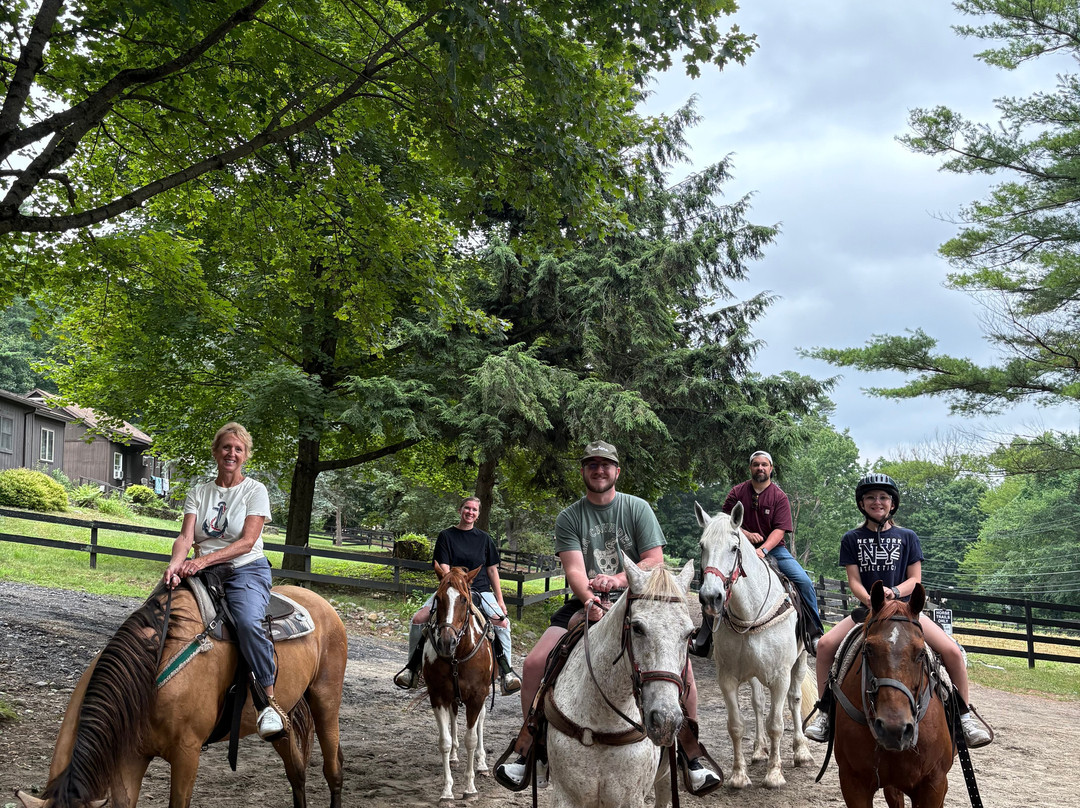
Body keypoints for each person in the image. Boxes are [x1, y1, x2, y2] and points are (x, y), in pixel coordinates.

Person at [496, 440, 722, 795]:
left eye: (606, 465)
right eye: (591, 464)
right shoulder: (570, 516)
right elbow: (574, 570)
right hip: (585, 603)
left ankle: (689, 753)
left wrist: (617, 580)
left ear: (617, 471)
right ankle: (532, 748)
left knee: (682, 670)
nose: (599, 470)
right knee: (535, 662)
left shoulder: (638, 508)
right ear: (584, 471)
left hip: (637, 601)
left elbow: (654, 560)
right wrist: (589, 600)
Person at [803, 472, 993, 748]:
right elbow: (854, 581)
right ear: (862, 503)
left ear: (893, 503)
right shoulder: (852, 538)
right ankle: (825, 714)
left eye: (883, 497)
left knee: (951, 651)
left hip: (905, 611)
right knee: (825, 646)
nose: (876, 502)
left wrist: (895, 593)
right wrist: (870, 599)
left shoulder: (908, 537)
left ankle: (964, 715)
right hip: (869, 610)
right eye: (870, 497)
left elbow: (916, 579)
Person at [162, 422, 286, 740]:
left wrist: (201, 560)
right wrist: (176, 564)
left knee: (246, 622)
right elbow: (186, 536)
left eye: (238, 449)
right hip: (204, 571)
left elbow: (247, 541)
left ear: (245, 456)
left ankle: (268, 703)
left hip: (246, 568)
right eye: (226, 447)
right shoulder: (199, 492)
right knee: (159, 607)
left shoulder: (254, 491)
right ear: (216, 452)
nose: (231, 453)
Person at [692, 450, 823, 656]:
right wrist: (744, 533)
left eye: (764, 464)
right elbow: (726, 523)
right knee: (712, 579)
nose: (760, 468)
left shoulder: (779, 497)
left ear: (771, 469)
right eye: (756, 464)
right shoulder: (737, 492)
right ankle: (705, 636)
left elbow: (780, 529)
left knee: (804, 581)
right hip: (736, 548)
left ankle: (813, 632)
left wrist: (763, 549)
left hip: (775, 550)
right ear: (750, 468)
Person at [393, 496, 522, 696]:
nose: (470, 512)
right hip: (451, 588)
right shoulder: (446, 536)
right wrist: (455, 585)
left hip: (480, 590)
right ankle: (413, 669)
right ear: (460, 510)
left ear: (478, 515)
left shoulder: (485, 539)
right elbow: (443, 567)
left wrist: (500, 599)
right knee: (418, 619)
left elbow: (492, 571)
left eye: (474, 510)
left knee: (503, 623)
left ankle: (507, 672)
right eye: (467, 508)